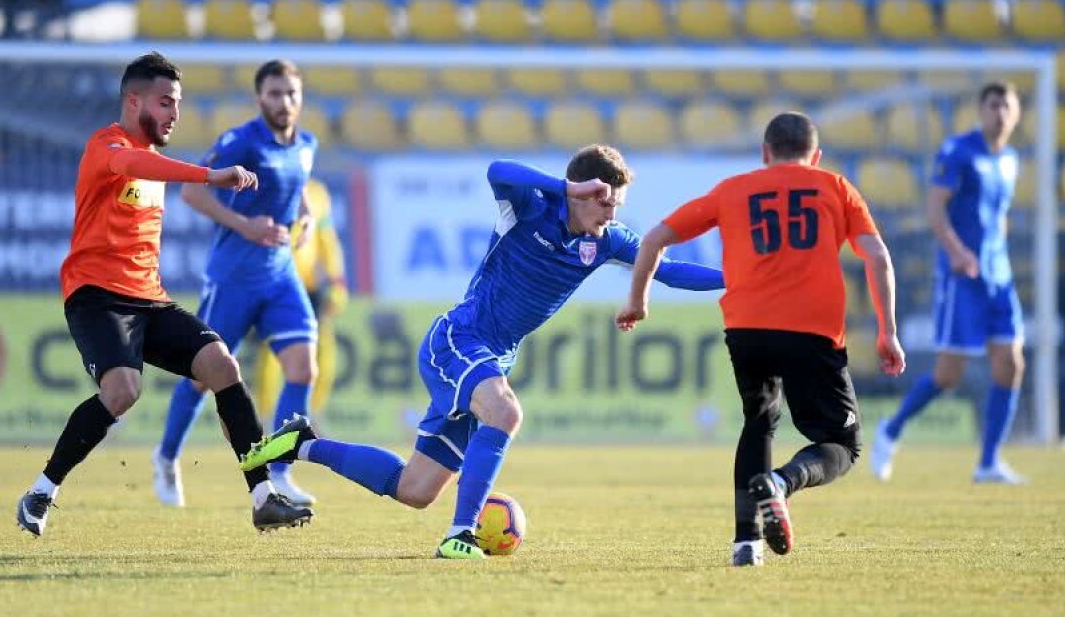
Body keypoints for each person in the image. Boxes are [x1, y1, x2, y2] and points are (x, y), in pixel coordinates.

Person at [238, 146, 726, 559]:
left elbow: (669, 269)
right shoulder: (530, 208)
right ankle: (460, 534)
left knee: (415, 489)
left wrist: (739, 280)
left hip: (492, 355)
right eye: (605, 203)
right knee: (506, 411)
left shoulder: (605, 241)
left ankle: (302, 443)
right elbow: (498, 170)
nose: (612, 215)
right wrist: (563, 187)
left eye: (617, 205)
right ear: (579, 192)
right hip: (458, 338)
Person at [16, 52, 312, 537]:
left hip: (149, 299)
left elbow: (146, 172)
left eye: (178, 103)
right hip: (96, 296)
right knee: (122, 391)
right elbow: (128, 162)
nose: (175, 113)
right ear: (134, 102)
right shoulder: (107, 145)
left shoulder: (153, 162)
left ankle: (263, 496)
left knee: (223, 365)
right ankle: (42, 491)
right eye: (166, 102)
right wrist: (210, 175)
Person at [616, 112, 905, 567]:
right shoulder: (836, 188)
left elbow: (654, 239)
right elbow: (877, 256)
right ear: (817, 156)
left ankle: (745, 544)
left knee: (759, 422)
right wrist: (887, 331)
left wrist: (637, 300)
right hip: (812, 330)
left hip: (747, 328)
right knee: (843, 444)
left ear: (765, 153)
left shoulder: (733, 190)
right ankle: (782, 483)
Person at [154, 60, 322, 508]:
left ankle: (282, 472)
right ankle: (167, 457)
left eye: (291, 93)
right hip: (233, 276)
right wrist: (245, 225)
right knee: (202, 376)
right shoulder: (242, 141)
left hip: (280, 273)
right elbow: (191, 192)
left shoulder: (306, 144)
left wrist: (307, 217)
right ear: (259, 99)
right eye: (274, 93)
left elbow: (300, 186)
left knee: (304, 368)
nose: (284, 102)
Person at [871, 83, 1027, 485]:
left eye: (1007, 106)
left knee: (1011, 363)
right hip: (961, 278)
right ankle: (890, 430)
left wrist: (998, 256)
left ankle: (988, 461)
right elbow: (935, 209)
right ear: (980, 109)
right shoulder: (958, 151)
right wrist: (957, 253)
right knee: (948, 375)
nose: (1000, 113)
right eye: (993, 105)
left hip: (998, 276)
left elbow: (999, 216)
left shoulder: (1010, 160)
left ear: (1017, 113)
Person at [253, 177, 348, 428]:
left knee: (324, 348)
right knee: (273, 352)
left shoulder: (317, 192)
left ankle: (312, 414)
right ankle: (265, 416)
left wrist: (337, 279)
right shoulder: (269, 185)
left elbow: (327, 238)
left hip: (309, 285)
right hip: (277, 282)